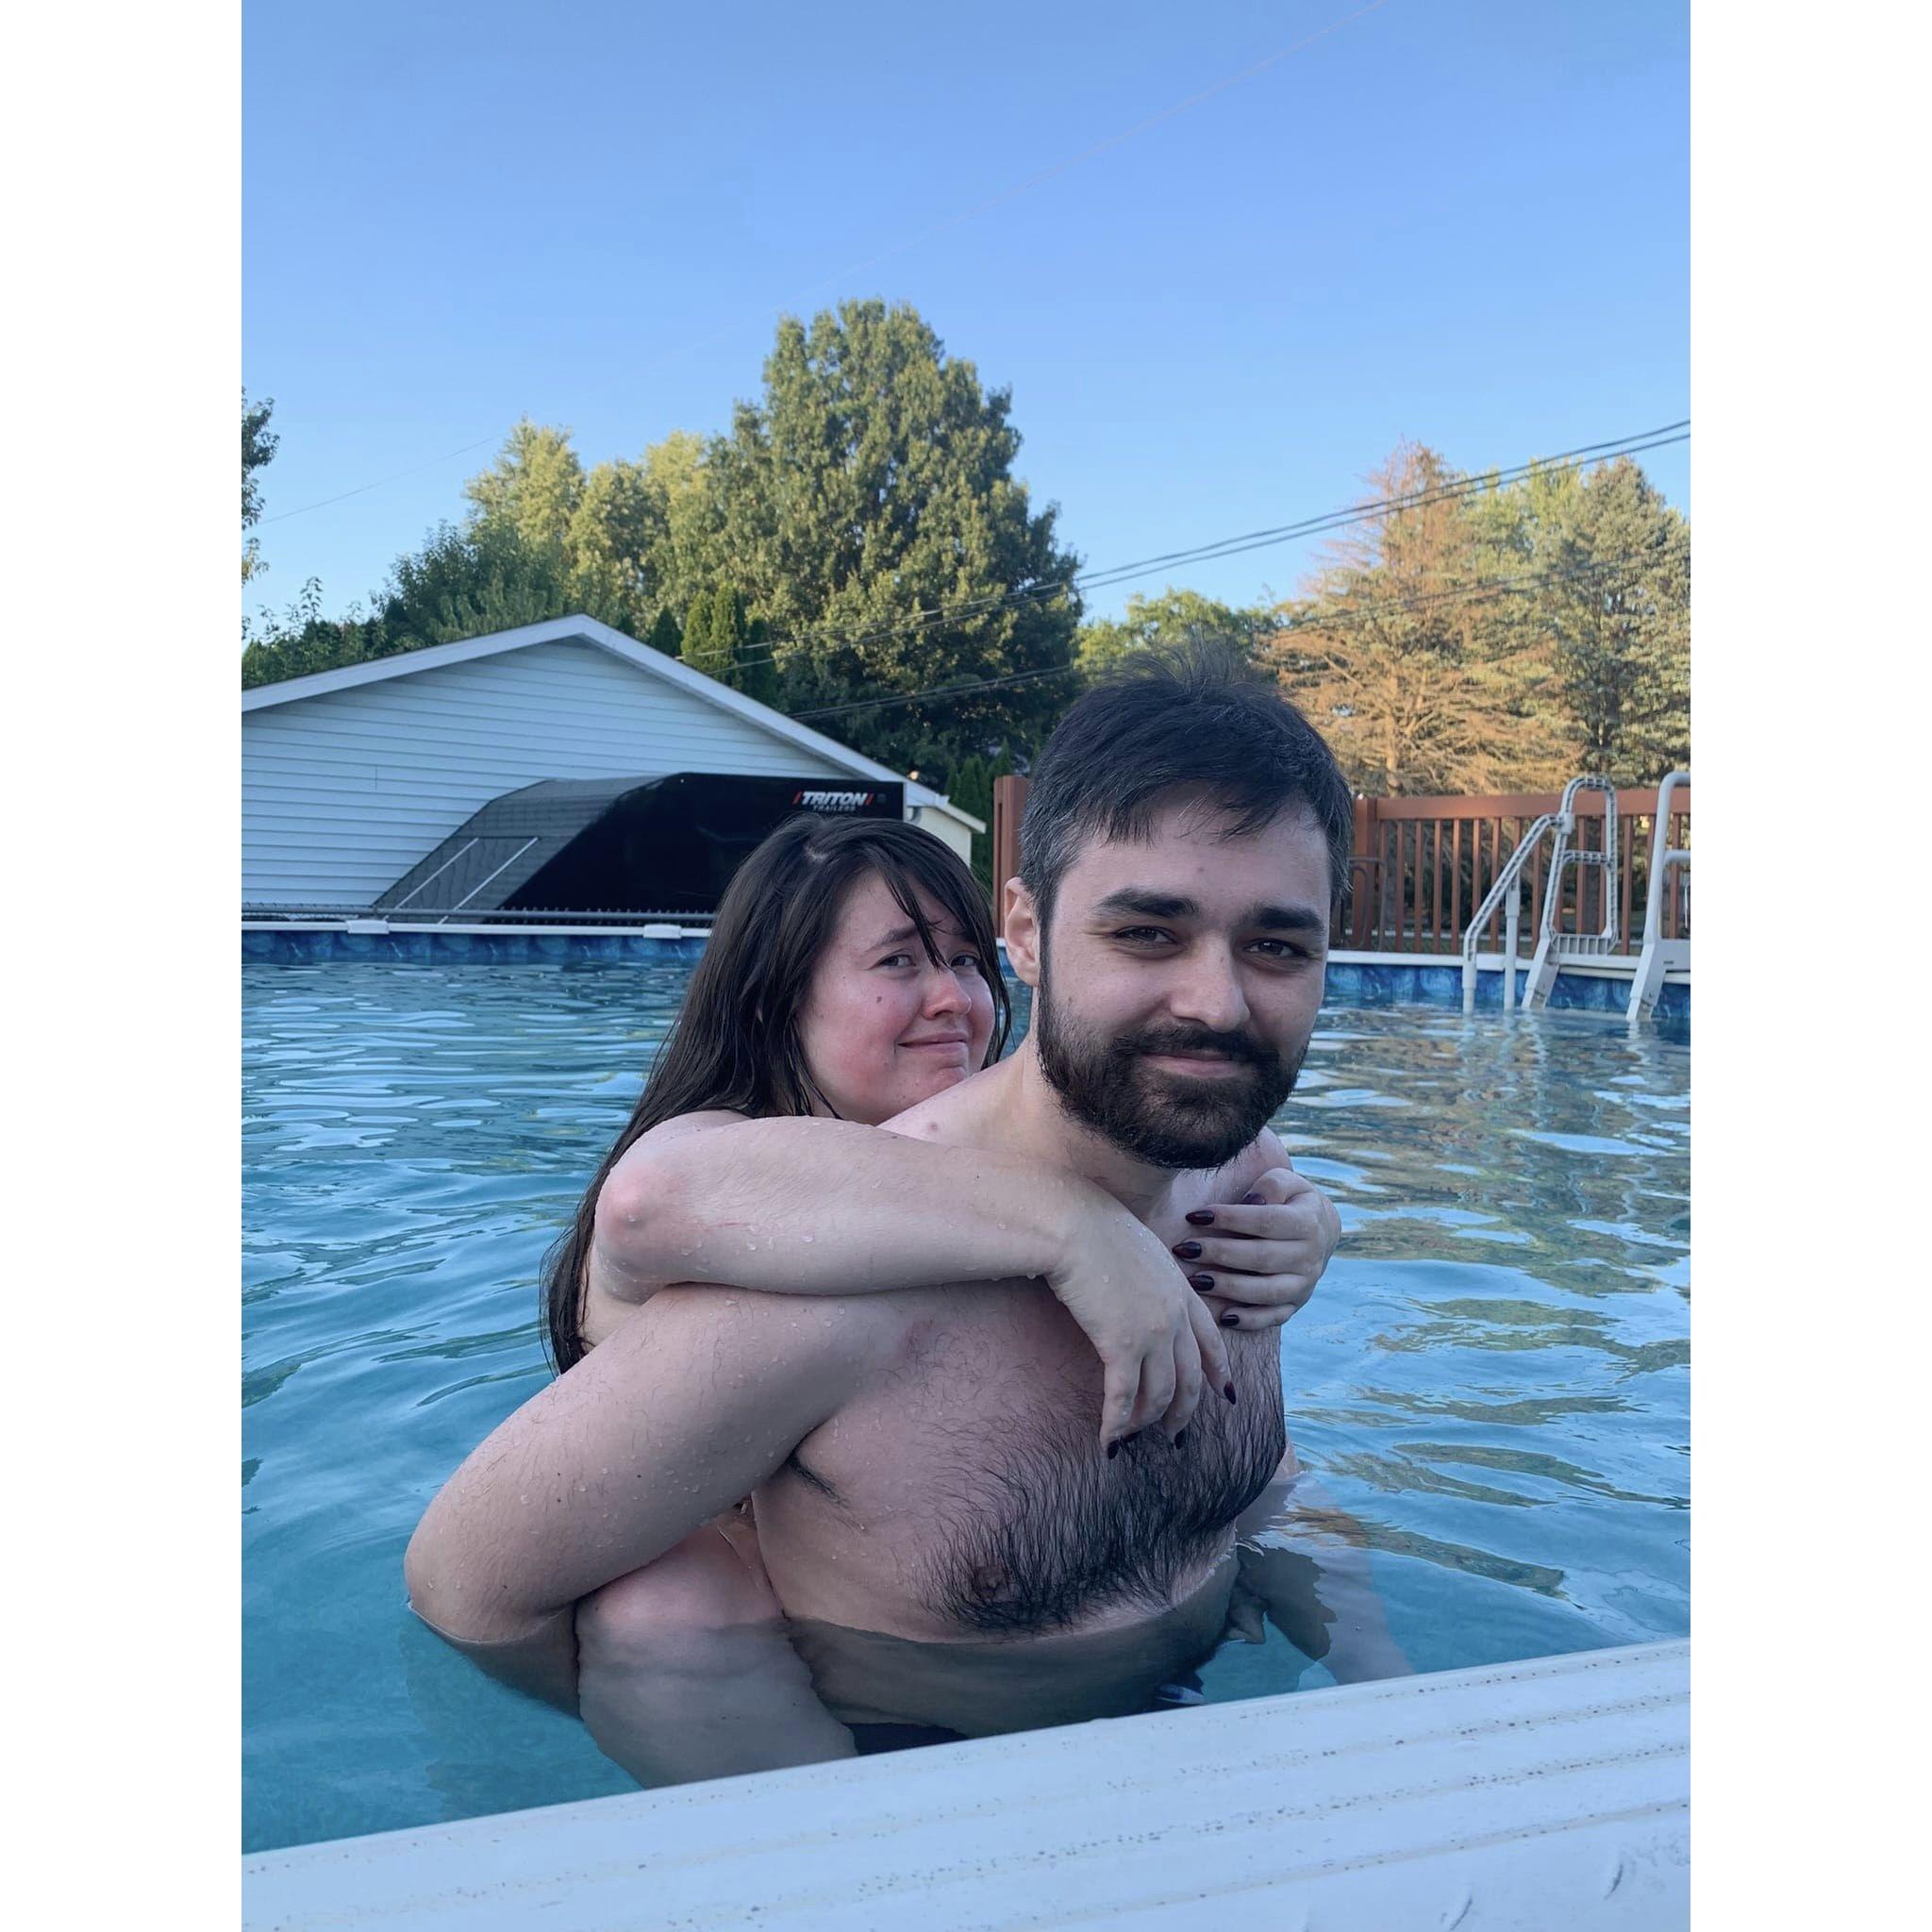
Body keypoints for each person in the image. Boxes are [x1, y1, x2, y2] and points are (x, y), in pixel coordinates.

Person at [408, 649, 1404, 1783]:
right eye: (1144, 932)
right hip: (911, 1796)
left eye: (1275, 945)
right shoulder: (823, 1282)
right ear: (1027, 931)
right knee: (659, 1607)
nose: (1216, 1004)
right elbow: (465, 1586)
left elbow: (1265, 1480)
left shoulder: (1249, 1187)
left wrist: (1395, 1704)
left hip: (1201, 1741)